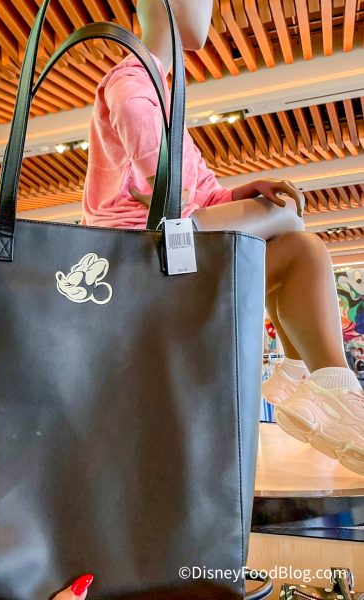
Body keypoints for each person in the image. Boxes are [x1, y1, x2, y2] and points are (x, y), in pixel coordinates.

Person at [82, 0, 364, 475]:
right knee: (286, 220)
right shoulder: (131, 82)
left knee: (302, 248)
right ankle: (323, 391)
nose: (210, 10)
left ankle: (321, 385)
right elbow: (165, 187)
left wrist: (238, 194)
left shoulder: (163, 90)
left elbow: (198, 189)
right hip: (142, 257)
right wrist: (217, 211)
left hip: (181, 240)